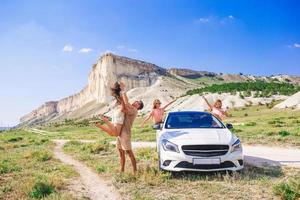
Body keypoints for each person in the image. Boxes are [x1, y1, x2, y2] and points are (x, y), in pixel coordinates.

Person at [117, 82, 144, 174]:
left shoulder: (134, 110)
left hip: (125, 133)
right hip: (120, 132)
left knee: (129, 153)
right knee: (121, 153)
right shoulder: (130, 108)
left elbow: (126, 102)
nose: (135, 102)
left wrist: (123, 90)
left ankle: (135, 172)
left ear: (138, 106)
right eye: (136, 101)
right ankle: (122, 171)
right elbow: (123, 105)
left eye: (138, 103)